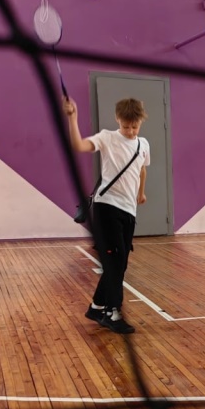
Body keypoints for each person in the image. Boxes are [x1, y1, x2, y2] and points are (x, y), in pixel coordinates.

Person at [64, 96, 151, 334]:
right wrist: (73, 118)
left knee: (120, 264)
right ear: (117, 119)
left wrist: (141, 193)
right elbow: (79, 146)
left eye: (135, 127)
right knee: (115, 262)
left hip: (128, 210)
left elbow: (142, 170)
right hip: (107, 207)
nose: (130, 131)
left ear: (141, 122)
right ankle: (113, 312)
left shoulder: (143, 144)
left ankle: (96, 307)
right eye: (126, 126)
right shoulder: (107, 137)